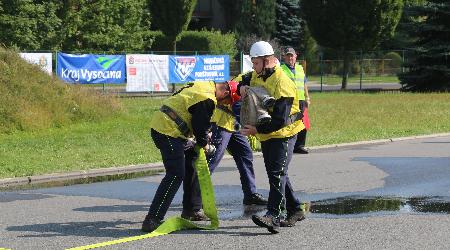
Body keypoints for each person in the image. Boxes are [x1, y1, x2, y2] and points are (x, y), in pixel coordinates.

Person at [141, 80, 239, 233]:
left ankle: (191, 211)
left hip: (171, 127)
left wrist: (204, 135)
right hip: (167, 131)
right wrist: (205, 143)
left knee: (192, 164)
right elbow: (199, 126)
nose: (225, 105)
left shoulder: (205, 85)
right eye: (227, 102)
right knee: (175, 174)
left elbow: (196, 117)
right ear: (226, 93)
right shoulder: (208, 98)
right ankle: (152, 219)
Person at [239, 41, 306, 234]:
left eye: (256, 63)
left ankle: (273, 216)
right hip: (268, 133)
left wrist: (256, 131)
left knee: (277, 173)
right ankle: (296, 210)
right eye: (253, 63)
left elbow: (279, 120)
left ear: (267, 61)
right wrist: (241, 87)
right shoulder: (258, 74)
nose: (253, 67)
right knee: (277, 173)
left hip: (285, 132)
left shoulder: (282, 82)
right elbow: (243, 78)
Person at [207, 84, 268, 206]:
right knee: (212, 160)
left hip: (233, 123)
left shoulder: (259, 80)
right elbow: (241, 111)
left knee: (245, 154)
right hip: (221, 123)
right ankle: (196, 198)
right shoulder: (246, 81)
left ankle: (250, 194)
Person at [280, 47, 311, 154]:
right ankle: (286, 144)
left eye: (291, 55)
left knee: (302, 123)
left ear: (295, 56)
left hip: (301, 100)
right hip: (288, 101)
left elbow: (304, 83)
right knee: (288, 123)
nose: (290, 58)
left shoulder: (300, 68)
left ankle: (299, 146)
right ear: (284, 57)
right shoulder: (281, 69)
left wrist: (307, 97)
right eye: (288, 55)